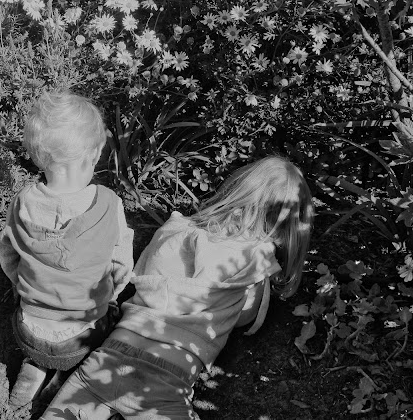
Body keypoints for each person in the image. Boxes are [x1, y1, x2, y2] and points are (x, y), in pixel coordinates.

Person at [40, 156, 314, 420]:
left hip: (109, 356)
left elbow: (142, 272)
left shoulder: (175, 229)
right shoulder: (253, 260)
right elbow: (245, 318)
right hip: (167, 377)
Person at [0, 89, 134, 408]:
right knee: (108, 317)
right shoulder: (107, 205)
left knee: (41, 326)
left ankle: (33, 366)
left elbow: (8, 254)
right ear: (96, 152)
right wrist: (112, 294)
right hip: (80, 335)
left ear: (36, 156)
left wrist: (22, 284)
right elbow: (121, 264)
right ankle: (67, 377)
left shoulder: (22, 203)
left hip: (29, 329)